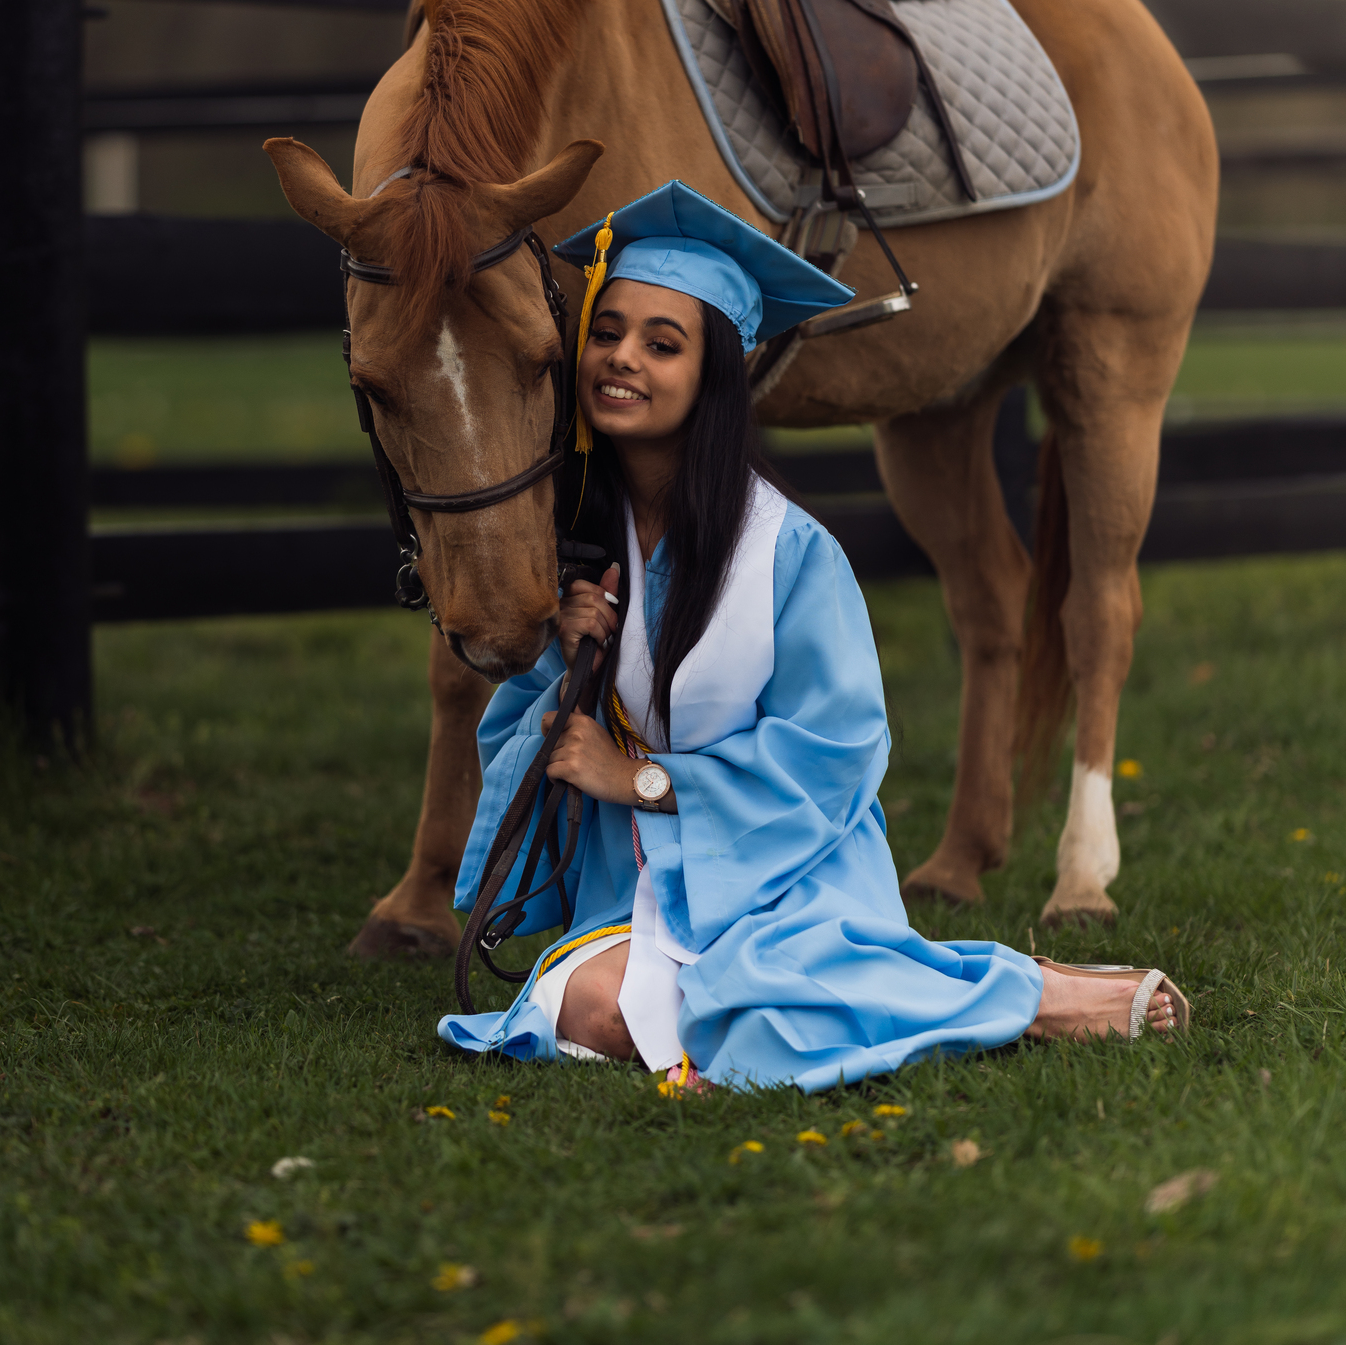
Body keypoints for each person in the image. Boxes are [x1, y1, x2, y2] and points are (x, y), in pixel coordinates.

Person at [437, 182, 1187, 1091]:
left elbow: (835, 754)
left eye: (661, 344)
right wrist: (568, 680)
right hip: (631, 897)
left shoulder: (787, 554)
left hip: (782, 878)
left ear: (718, 372)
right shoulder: (568, 552)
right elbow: (521, 765)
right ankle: (930, 996)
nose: (620, 359)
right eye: (608, 332)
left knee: (749, 1010)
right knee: (591, 1010)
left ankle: (1039, 995)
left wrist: (635, 777)